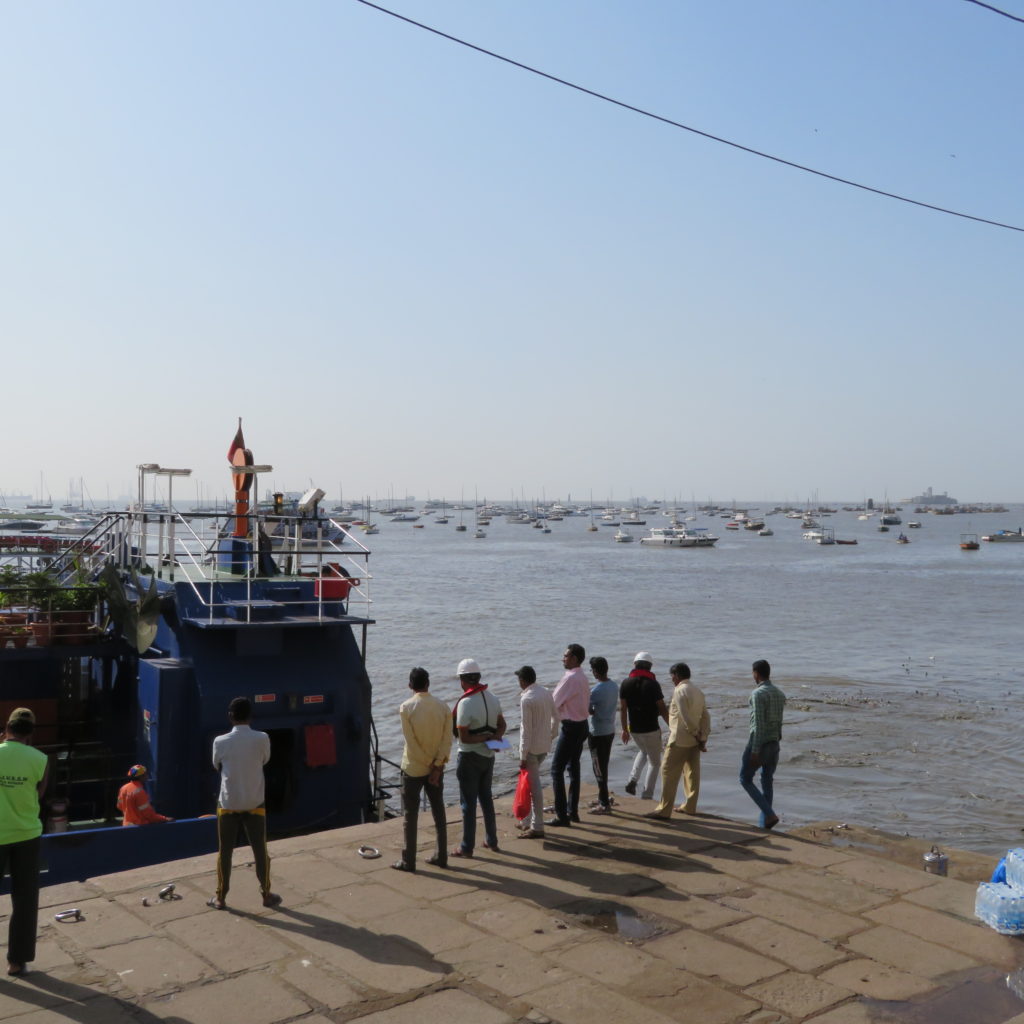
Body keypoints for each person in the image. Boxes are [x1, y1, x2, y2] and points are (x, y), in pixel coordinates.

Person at [209, 697, 281, 910]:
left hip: (228, 803)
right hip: (255, 802)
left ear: (230, 716)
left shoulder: (220, 741)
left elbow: (216, 765)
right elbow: (265, 759)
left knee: (225, 852)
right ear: (251, 716)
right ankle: (266, 894)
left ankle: (221, 897)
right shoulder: (262, 738)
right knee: (260, 850)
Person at [0, 708, 48, 977]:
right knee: (25, 899)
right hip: (26, 835)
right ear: (30, 734)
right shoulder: (40, 759)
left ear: (7, 728)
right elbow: (39, 795)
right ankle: (16, 961)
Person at [393, 667, 451, 872]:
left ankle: (409, 861)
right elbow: (447, 740)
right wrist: (436, 766)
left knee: (411, 815)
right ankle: (442, 856)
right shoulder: (443, 707)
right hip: (436, 768)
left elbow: (411, 742)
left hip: (413, 768)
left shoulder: (406, 708)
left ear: (410, 685)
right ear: (428, 683)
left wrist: (427, 763)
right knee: (439, 812)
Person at [451, 658, 506, 858]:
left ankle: (467, 847)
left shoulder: (465, 703)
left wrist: (482, 737)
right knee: (486, 799)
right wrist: (494, 738)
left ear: (463, 680)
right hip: (488, 756)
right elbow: (502, 725)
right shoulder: (493, 698)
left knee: (468, 804)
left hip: (469, 757)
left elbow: (464, 736)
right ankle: (492, 840)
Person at [646, 663, 710, 820]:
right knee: (692, 774)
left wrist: (695, 733)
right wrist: (703, 738)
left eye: (672, 676)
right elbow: (706, 716)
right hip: (694, 742)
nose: (671, 680)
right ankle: (690, 806)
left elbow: (684, 716)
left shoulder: (679, 690)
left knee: (668, 771)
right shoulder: (698, 691)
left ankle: (664, 809)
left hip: (679, 739)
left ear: (677, 675)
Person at [547, 643, 591, 827]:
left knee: (556, 770)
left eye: (565, 656)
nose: (563, 659)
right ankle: (572, 811)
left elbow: (553, 702)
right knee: (573, 768)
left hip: (571, 727)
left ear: (574, 659)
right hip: (582, 726)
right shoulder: (581, 676)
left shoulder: (570, 678)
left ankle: (562, 815)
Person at [740, 659, 786, 829]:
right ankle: (764, 823)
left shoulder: (757, 694)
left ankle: (769, 814)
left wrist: (755, 751)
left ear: (756, 673)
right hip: (774, 743)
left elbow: (757, 724)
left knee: (745, 779)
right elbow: (779, 722)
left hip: (760, 743)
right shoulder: (779, 694)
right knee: (767, 780)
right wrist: (776, 741)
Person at [516, 665, 558, 839]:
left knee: (534, 788)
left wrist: (522, 755)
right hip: (544, 746)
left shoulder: (527, 699)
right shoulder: (546, 692)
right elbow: (556, 717)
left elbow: (526, 730)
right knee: (530, 784)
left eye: (519, 679)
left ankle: (537, 825)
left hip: (532, 749)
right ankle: (526, 821)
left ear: (524, 681)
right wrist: (551, 736)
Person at [619, 652, 669, 799]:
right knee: (654, 763)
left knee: (643, 751)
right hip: (651, 728)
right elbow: (662, 708)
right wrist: (672, 726)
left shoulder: (625, 683)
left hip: (634, 729)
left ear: (635, 665)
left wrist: (624, 730)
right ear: (650, 667)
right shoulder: (653, 684)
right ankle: (647, 795)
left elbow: (623, 709)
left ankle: (632, 779)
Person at [587, 656, 618, 814]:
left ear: (596, 671)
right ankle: (602, 796)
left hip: (597, 732)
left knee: (598, 767)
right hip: (610, 730)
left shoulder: (596, 690)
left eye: (592, 670)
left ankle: (604, 803)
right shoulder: (614, 686)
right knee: (603, 765)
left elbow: (588, 709)